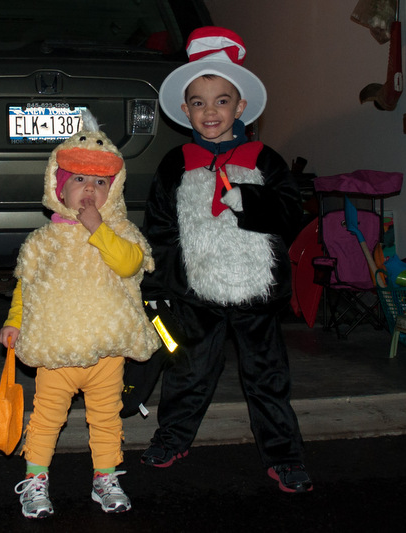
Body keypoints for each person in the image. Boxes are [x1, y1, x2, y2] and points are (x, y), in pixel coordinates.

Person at [122, 26, 313, 493]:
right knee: (188, 371)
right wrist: (157, 290)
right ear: (185, 110)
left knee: (266, 377)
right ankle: (173, 437)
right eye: (199, 102)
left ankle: (284, 454)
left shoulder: (265, 159)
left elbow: (292, 213)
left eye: (221, 101)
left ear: (240, 106)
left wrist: (249, 199)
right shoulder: (175, 163)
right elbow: (160, 230)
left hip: (256, 294)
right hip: (195, 294)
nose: (210, 112)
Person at [0, 111, 161, 518]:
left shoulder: (121, 232)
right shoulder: (43, 240)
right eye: (80, 179)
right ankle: (35, 480)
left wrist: (98, 229)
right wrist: (14, 321)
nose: (90, 189)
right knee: (46, 419)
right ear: (59, 186)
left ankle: (105, 477)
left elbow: (130, 264)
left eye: (101, 182)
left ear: (115, 189)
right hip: (57, 352)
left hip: (108, 352)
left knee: (106, 419)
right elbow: (26, 286)